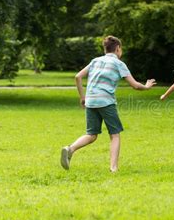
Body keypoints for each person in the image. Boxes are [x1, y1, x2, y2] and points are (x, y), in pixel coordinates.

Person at [60, 35, 156, 172]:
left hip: (91, 100)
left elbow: (78, 77)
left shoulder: (95, 61)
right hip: (106, 101)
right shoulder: (119, 64)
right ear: (118, 49)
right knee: (115, 135)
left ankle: (70, 149)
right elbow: (135, 85)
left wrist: (83, 98)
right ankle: (113, 168)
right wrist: (146, 87)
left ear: (105, 49)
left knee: (91, 134)